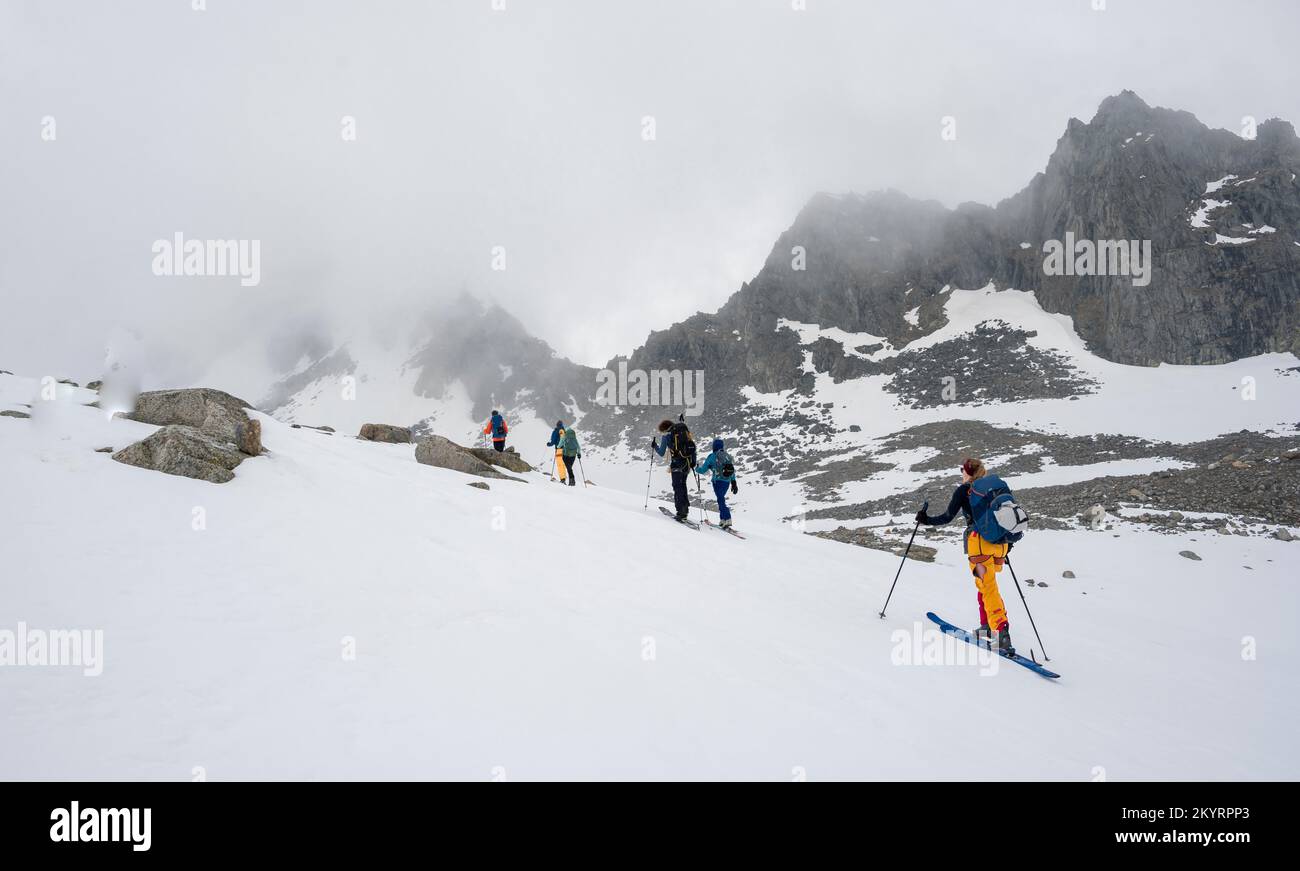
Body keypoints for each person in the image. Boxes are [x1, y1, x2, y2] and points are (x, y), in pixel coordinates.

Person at [916, 457, 1015, 655]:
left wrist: (926, 520)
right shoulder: (994, 488)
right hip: (1001, 545)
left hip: (979, 544)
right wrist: (1007, 543)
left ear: (968, 472)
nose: (961, 472)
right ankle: (987, 624)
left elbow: (947, 517)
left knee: (988, 586)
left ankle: (1001, 632)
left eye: (962, 469)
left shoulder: (965, 490)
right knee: (985, 583)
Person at [651, 417, 696, 520]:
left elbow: (662, 452)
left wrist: (655, 446)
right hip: (687, 464)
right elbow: (692, 447)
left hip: (676, 465)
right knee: (683, 486)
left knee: (677, 487)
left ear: (664, 429)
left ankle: (681, 512)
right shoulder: (684, 433)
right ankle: (685, 510)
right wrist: (693, 462)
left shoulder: (667, 436)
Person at [696, 438, 738, 528]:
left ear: (714, 447)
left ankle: (727, 518)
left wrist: (696, 469)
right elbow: (732, 470)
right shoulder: (727, 456)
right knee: (721, 499)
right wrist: (734, 482)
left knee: (720, 499)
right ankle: (722, 519)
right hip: (727, 482)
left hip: (717, 481)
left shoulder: (712, 456)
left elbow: (703, 470)